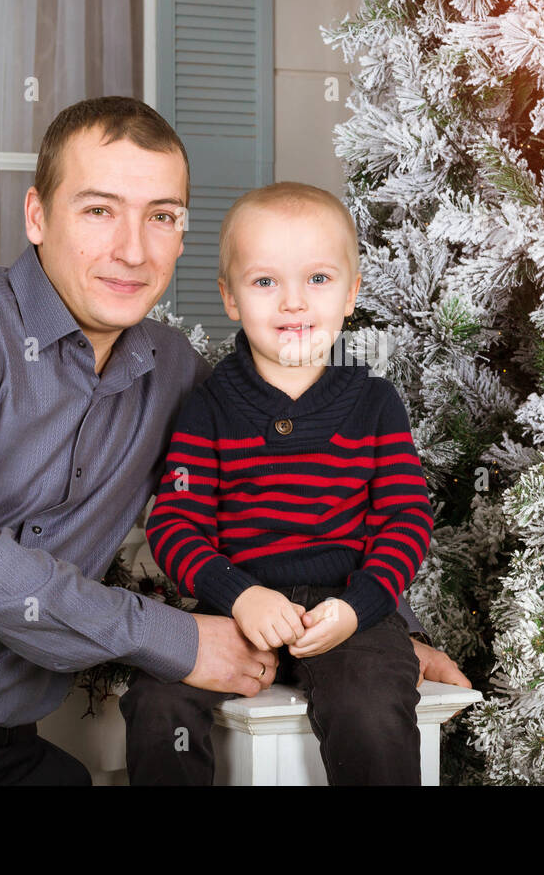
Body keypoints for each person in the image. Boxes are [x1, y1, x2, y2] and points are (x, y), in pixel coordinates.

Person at [0, 96, 466, 786]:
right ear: (38, 215)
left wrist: (369, 632)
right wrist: (178, 639)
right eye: (99, 210)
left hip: (6, 754)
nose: (132, 250)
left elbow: (286, 491)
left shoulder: (177, 373)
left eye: (161, 216)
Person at [121, 182, 430, 785]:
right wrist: (237, 594)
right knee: (158, 702)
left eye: (317, 279)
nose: (293, 302)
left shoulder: (373, 403)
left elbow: (405, 520)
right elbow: (176, 522)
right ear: (230, 297)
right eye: (265, 282)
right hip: (235, 611)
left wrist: (361, 605)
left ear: (352, 292)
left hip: (347, 612)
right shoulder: (209, 406)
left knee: (371, 708)